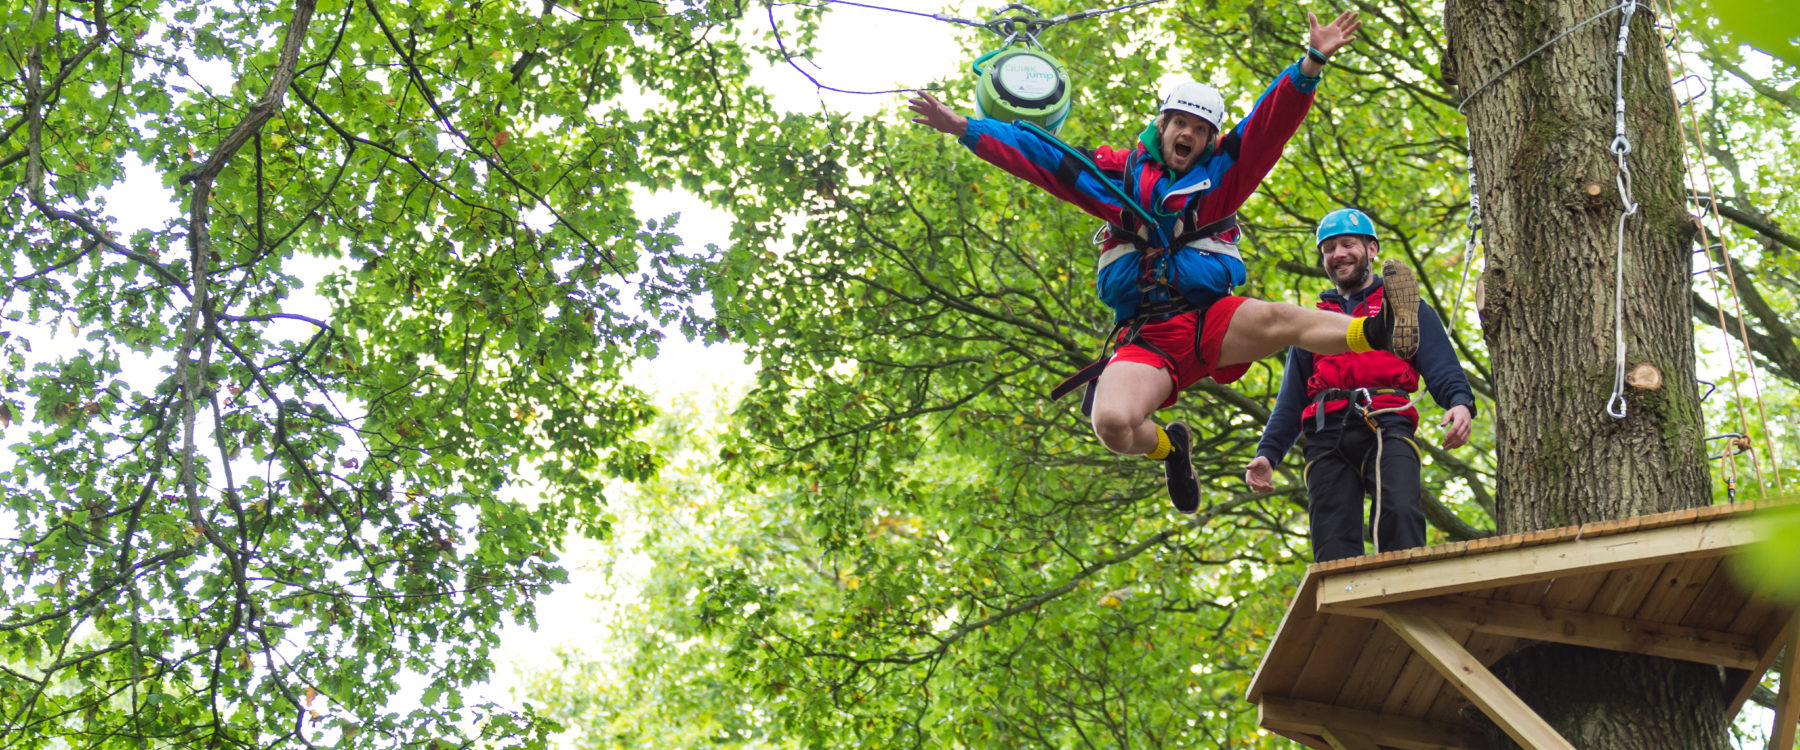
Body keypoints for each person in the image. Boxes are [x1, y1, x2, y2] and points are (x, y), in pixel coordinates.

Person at [909, 11, 1416, 516]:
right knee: (1111, 423)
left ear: (1209, 139)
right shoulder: (1119, 176)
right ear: (1162, 125)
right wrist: (966, 129)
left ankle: (1377, 329)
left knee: (1280, 318)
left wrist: (1309, 65)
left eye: (1199, 129)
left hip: (1209, 320)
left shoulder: (1224, 176)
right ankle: (1171, 450)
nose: (1188, 135)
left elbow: (1268, 126)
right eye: (1180, 124)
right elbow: (1047, 159)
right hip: (1147, 336)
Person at [1243, 208, 1477, 562]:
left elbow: (1441, 364)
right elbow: (1290, 400)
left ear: (1371, 249)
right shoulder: (1313, 323)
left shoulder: (1406, 306)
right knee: (1332, 538)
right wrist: (1268, 453)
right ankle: (1346, 608)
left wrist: (1459, 402)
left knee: (1399, 510)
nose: (1338, 254)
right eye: (1329, 248)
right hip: (1326, 431)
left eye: (1348, 244)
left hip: (1385, 420)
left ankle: (1404, 592)